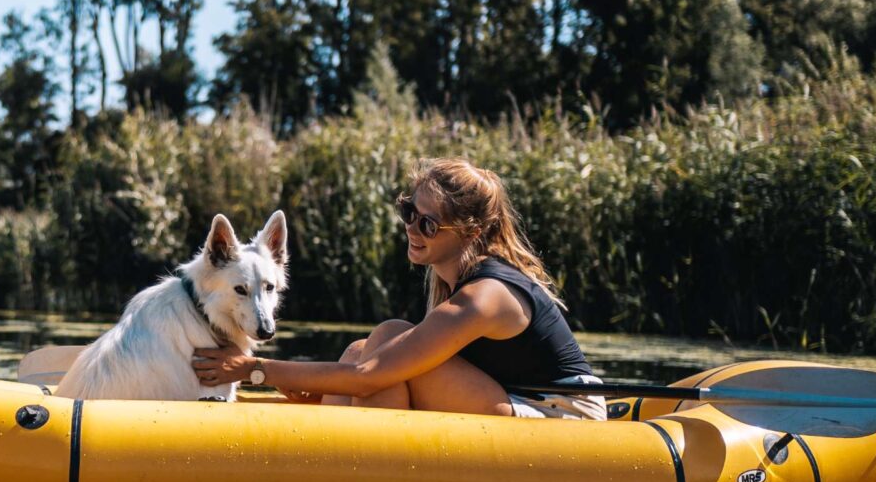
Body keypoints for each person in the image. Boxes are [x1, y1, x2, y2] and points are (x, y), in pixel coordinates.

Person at [190, 158, 605, 419]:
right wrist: (318, 390)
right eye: (409, 211)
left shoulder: (486, 295)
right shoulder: (451, 280)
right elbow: (364, 368)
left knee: (384, 342)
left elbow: (371, 378)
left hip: (562, 413)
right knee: (359, 349)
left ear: (471, 232)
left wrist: (255, 369)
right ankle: (332, 462)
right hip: (511, 396)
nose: (411, 228)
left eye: (428, 223)